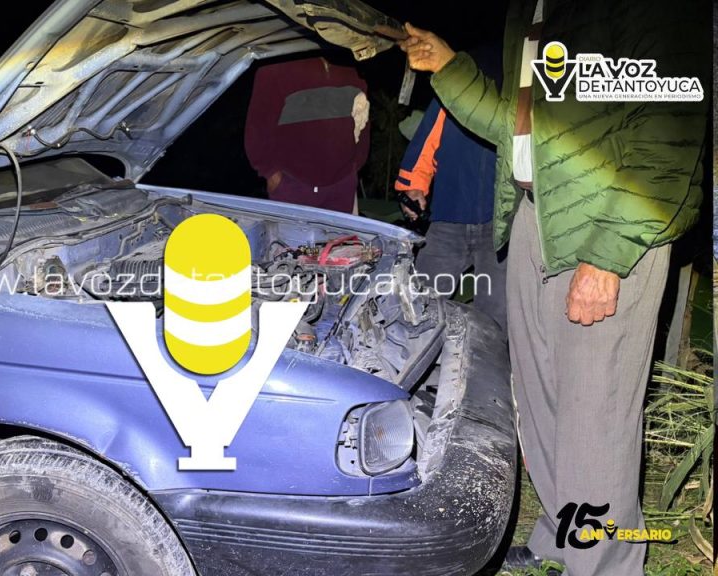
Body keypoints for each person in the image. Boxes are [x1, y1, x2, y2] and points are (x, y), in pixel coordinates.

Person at [399, 1, 708, 575]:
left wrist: (610, 256)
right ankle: (564, 537)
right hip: (535, 215)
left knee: (596, 411)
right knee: (539, 399)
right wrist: (449, 66)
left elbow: (666, 135)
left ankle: (605, 565)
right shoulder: (531, 11)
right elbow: (516, 129)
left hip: (608, 226)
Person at [396, 45, 506, 331]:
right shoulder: (455, 89)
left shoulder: (519, 92)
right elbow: (427, 140)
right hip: (448, 218)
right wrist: (413, 186)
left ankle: (487, 360)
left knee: (494, 320)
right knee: (418, 308)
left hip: (501, 228)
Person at [245, 57, 369, 213]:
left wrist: (355, 165)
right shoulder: (276, 66)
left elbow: (362, 119)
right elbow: (257, 128)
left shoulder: (350, 69)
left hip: (341, 185)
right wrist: (271, 173)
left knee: (341, 231)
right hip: (293, 186)